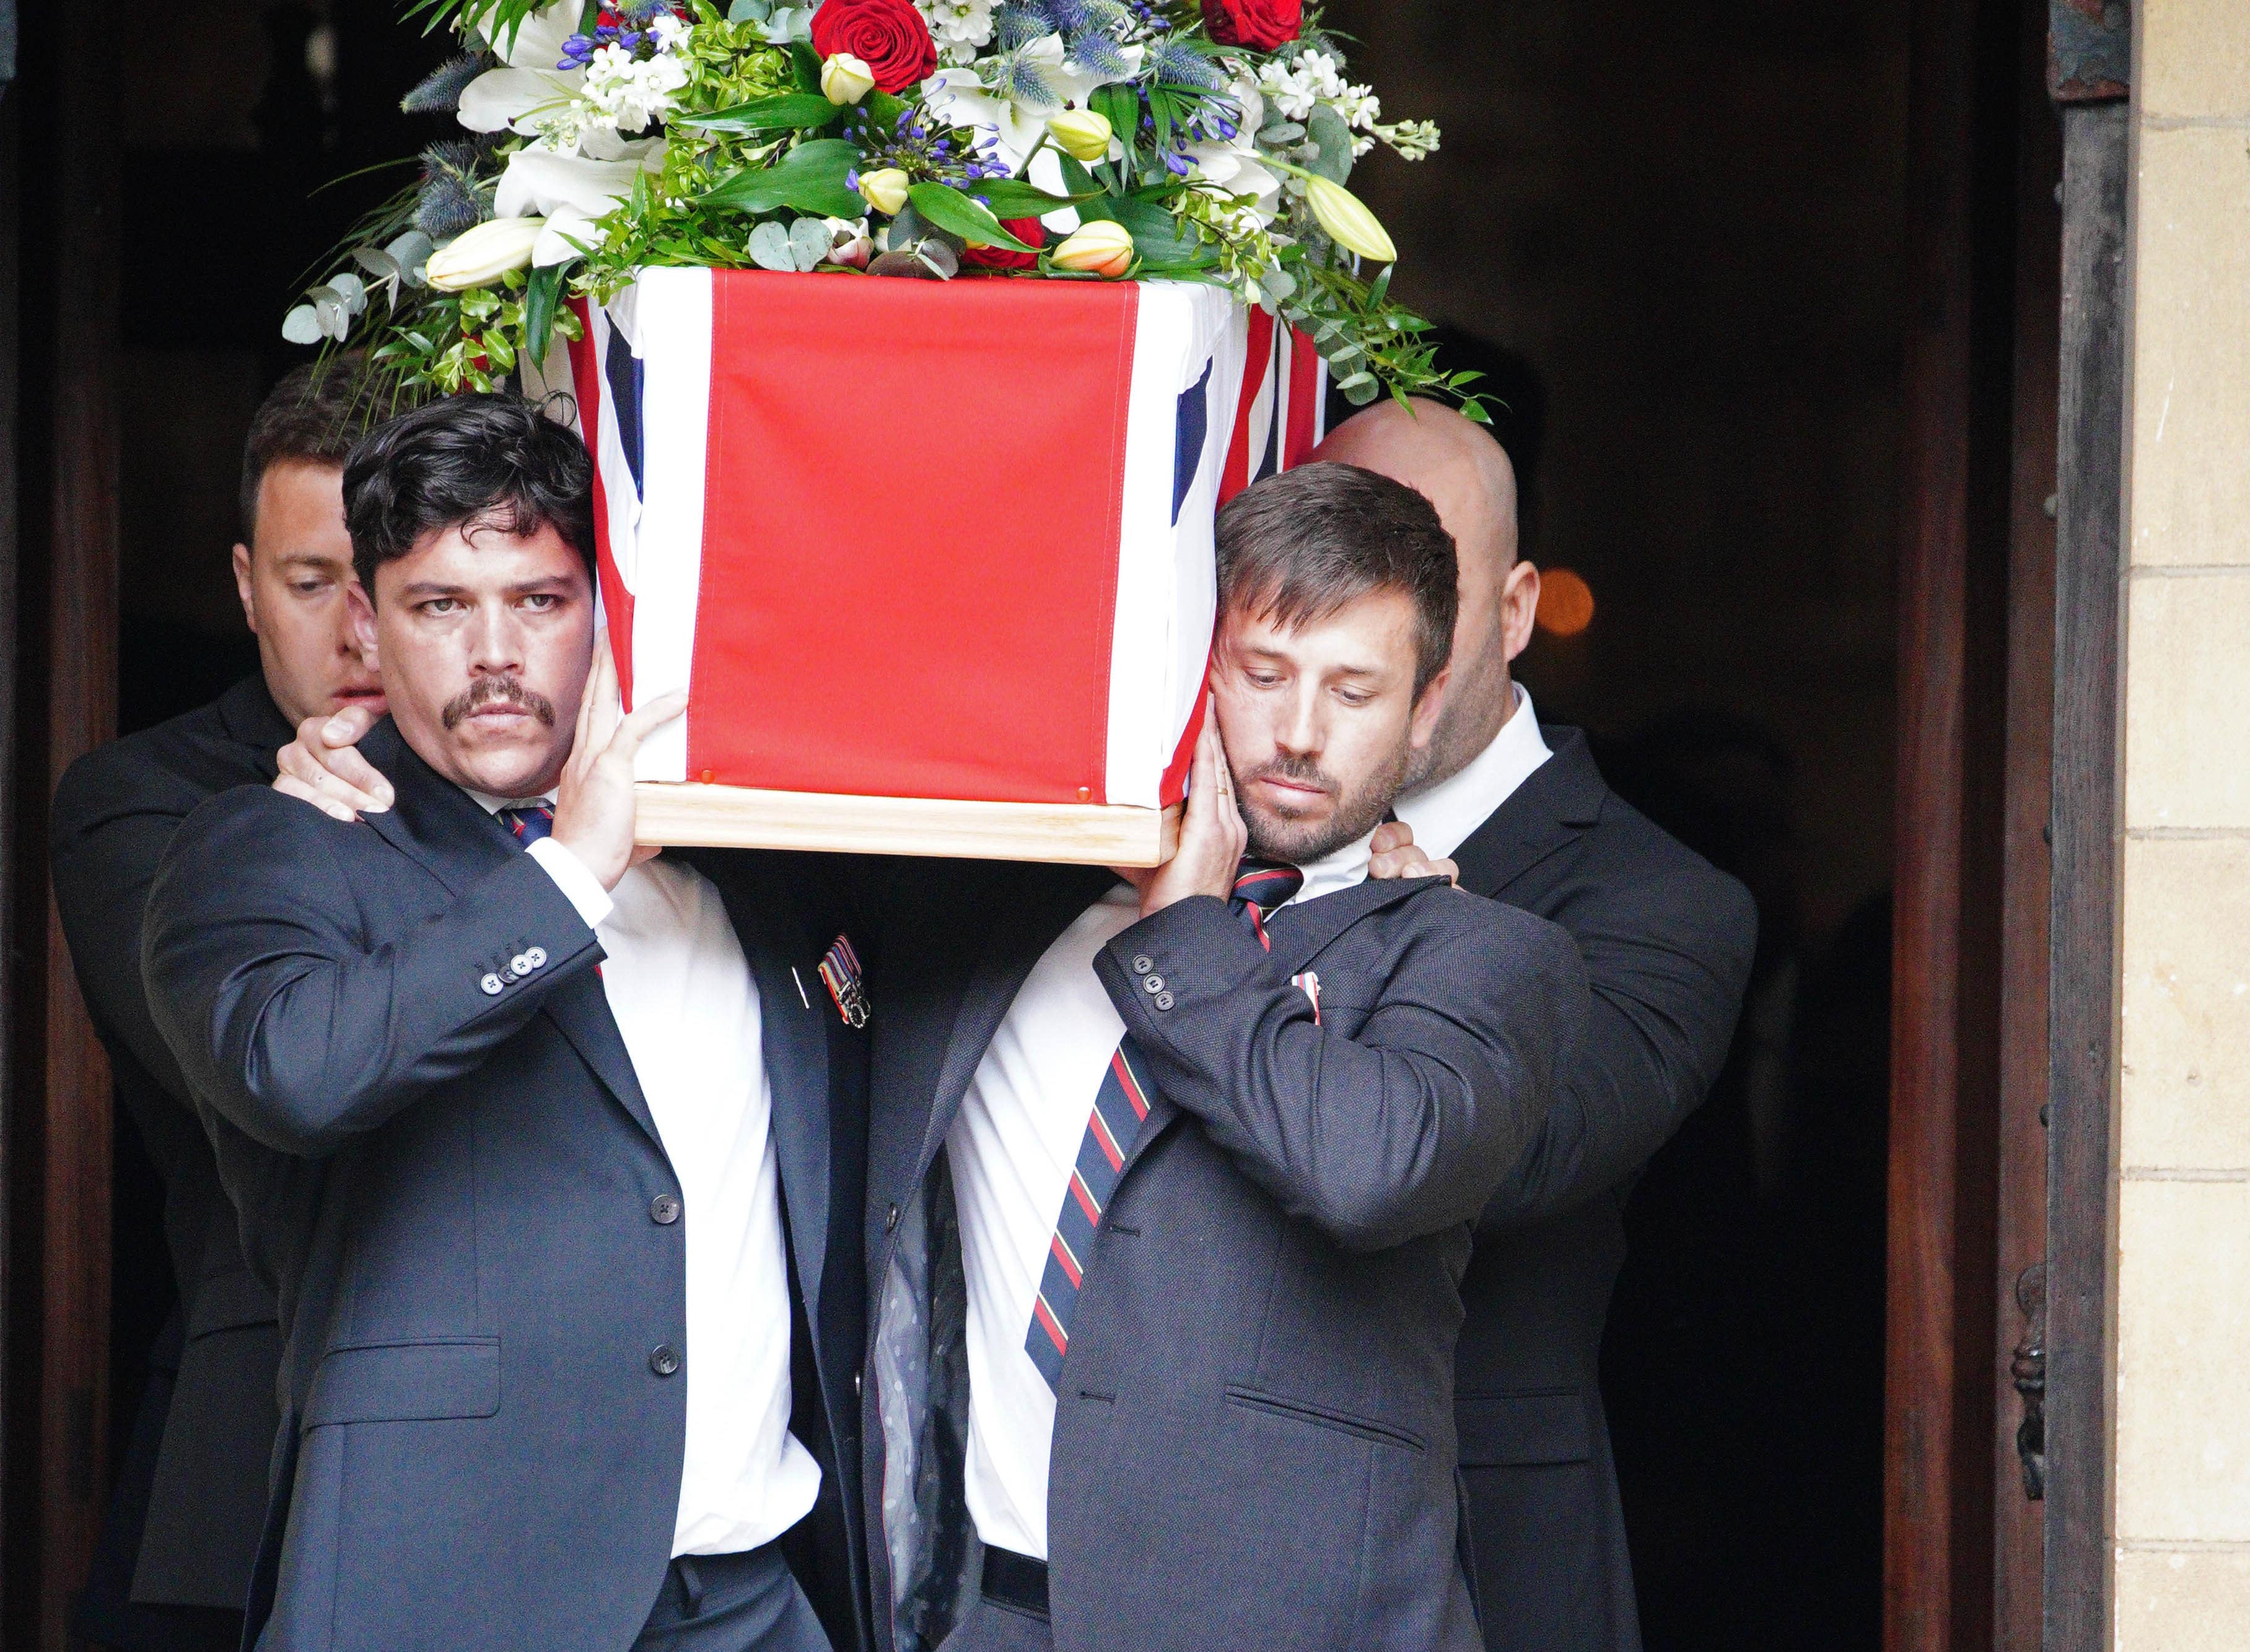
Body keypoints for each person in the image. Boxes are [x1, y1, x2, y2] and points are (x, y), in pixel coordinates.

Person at [141, 395, 867, 1652]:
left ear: (607, 612)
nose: (494, 653)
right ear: (366, 624)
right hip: (446, 1590)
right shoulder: (276, 845)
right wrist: (567, 875)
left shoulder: (753, 867)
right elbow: (298, 1068)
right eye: (439, 606)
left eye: (538, 600)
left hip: (752, 1590)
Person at [858, 462, 1588, 1652]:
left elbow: (1370, 1169)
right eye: (1263, 676)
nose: (1299, 735)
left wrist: (1191, 938)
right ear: (1198, 662)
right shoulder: (993, 918)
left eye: (1354, 691)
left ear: (1430, 696)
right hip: (982, 1609)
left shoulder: (1486, 958)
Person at [1316, 400, 1759, 1652]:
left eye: (1422, 583)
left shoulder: (1660, 900)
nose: (1375, 630)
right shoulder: (1201, 837)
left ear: (1513, 611)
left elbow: (1503, 1154)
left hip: (1478, 1565)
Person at [50, 356, 388, 1648]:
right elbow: (260, 1073)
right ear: (246, 586)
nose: (358, 630)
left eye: (385, 581)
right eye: (312, 585)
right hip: (243, 1444)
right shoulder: (138, 798)